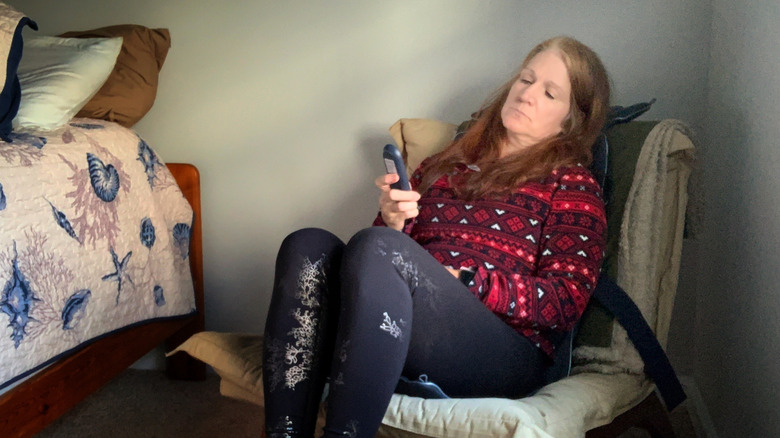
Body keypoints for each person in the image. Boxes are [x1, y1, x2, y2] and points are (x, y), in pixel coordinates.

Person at [262, 35, 610, 438]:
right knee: (306, 246)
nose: (528, 95)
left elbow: (564, 303)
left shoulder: (571, 185)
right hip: (412, 323)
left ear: (569, 121)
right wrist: (394, 221)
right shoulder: (448, 162)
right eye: (526, 80)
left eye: (549, 93)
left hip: (504, 351)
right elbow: (377, 264)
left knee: (382, 251)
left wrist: (466, 280)